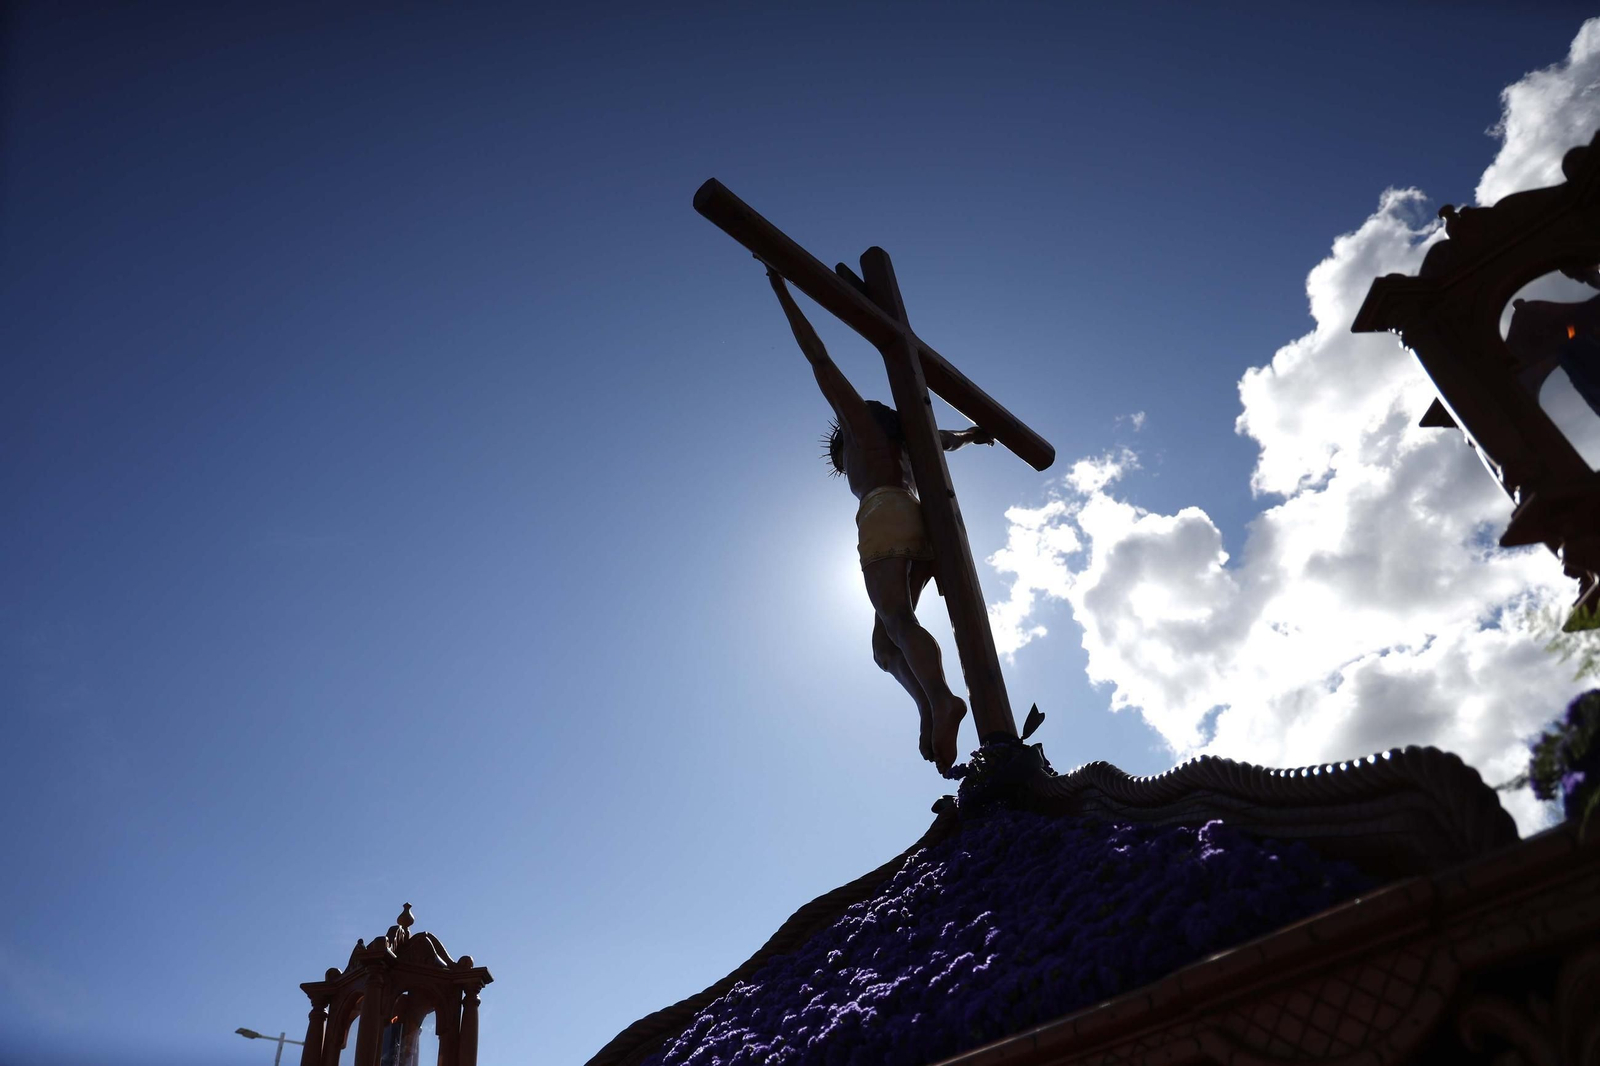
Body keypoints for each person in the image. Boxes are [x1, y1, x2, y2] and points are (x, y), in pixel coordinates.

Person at [764, 266, 992, 773]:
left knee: (896, 620)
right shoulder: (908, 446)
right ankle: (927, 705)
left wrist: (782, 289)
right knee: (883, 646)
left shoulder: (861, 434)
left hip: (885, 517)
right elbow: (947, 438)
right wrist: (976, 434)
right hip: (914, 523)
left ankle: (940, 697)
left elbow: (819, 360)